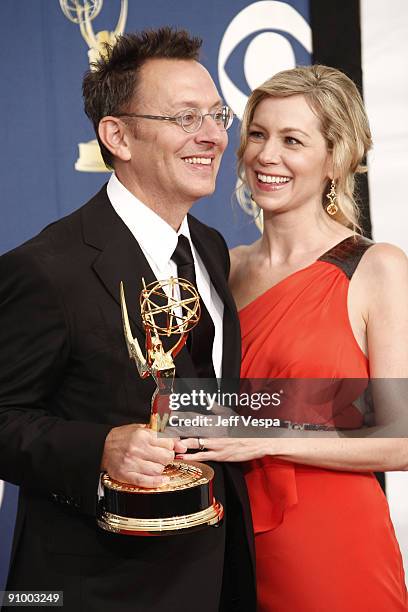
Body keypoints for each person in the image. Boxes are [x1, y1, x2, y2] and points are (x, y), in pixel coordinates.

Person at [0, 28, 256, 612]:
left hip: (219, 571)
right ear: (118, 135)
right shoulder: (46, 268)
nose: (214, 136)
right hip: (97, 585)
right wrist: (99, 449)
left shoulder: (211, 247)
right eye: (186, 117)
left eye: (217, 115)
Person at [179, 65, 408, 610]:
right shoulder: (217, 269)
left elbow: (402, 439)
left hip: (331, 544)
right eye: (257, 134)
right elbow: (195, 406)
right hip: (220, 536)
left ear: (335, 159)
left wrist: (264, 438)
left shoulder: (376, 268)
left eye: (292, 140)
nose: (266, 155)